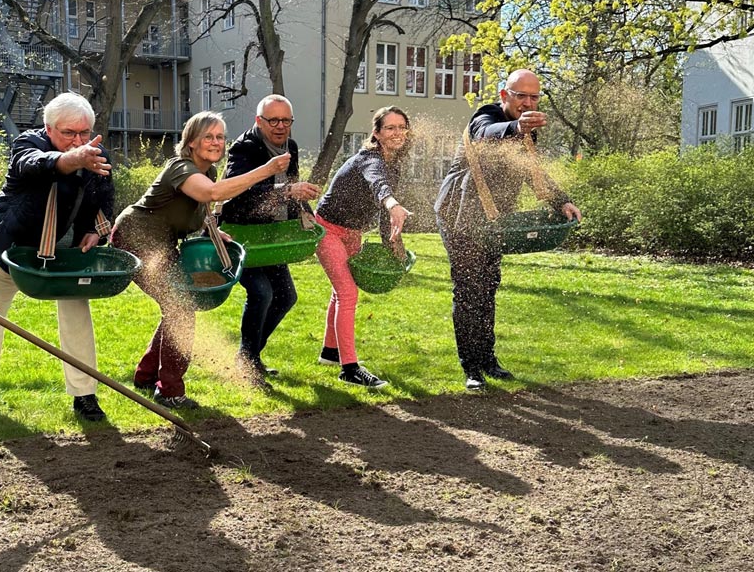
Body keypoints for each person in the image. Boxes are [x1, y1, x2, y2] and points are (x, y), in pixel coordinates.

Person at [0, 93, 114, 421]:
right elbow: (35, 166)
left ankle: (85, 396)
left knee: (77, 319)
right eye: (69, 133)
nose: (78, 141)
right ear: (48, 128)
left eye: (84, 133)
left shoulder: (96, 155)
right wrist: (74, 158)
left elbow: (105, 198)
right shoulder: (27, 144)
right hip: (11, 249)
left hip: (65, 254)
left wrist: (98, 230)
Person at [111, 111, 290, 409]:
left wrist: (211, 228)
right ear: (191, 141)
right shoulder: (181, 168)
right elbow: (212, 193)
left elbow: (196, 206)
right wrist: (265, 170)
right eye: (208, 136)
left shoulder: (205, 171)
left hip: (162, 244)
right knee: (181, 309)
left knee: (176, 307)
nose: (216, 142)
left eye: (220, 137)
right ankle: (169, 391)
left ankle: (145, 376)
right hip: (136, 239)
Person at [434, 69, 582, 391]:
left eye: (534, 97)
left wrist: (561, 202)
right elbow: (486, 133)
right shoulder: (486, 117)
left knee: (487, 288)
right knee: (469, 291)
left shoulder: (527, 130)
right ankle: (471, 368)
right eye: (521, 96)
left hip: (491, 221)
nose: (527, 103)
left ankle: (488, 360)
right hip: (459, 217)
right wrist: (515, 126)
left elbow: (532, 172)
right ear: (505, 96)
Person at [219, 95, 322, 389]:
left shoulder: (290, 147)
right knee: (262, 293)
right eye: (273, 120)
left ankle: (248, 356)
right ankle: (248, 363)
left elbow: (292, 187)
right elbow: (241, 192)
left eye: (286, 120)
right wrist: (290, 189)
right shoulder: (244, 148)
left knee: (286, 296)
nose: (280, 126)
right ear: (258, 121)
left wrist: (306, 214)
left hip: (272, 235)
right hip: (241, 232)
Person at [313, 106, 413, 390]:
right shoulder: (369, 158)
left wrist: (392, 242)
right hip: (327, 229)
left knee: (340, 291)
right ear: (377, 133)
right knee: (347, 292)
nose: (397, 133)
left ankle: (330, 353)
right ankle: (350, 369)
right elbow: (378, 185)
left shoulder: (395, 163)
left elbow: (383, 207)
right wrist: (393, 204)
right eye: (390, 128)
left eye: (401, 127)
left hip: (352, 232)